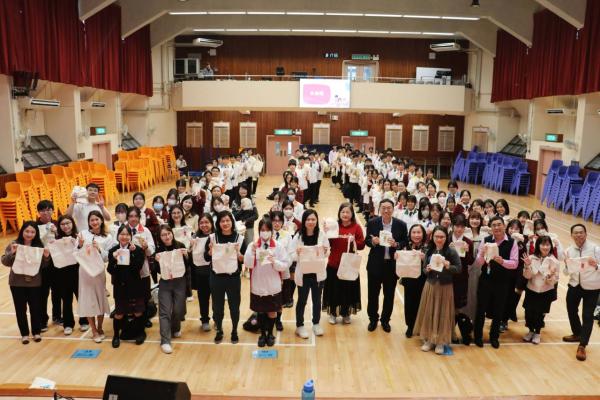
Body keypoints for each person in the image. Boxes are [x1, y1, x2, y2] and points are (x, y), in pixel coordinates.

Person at [472, 216, 519, 349]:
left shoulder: (512, 242)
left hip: (502, 282)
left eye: (499, 224)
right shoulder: (486, 240)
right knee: (481, 309)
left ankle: (494, 337)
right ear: (490, 227)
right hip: (486, 280)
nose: (497, 227)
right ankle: (478, 336)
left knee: (499, 310)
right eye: (494, 225)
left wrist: (502, 261)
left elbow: (515, 263)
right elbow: (478, 263)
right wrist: (482, 254)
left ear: (504, 226)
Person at [414, 226, 462, 355]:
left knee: (443, 314)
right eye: (436, 236)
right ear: (432, 237)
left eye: (442, 237)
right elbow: (424, 270)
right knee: (429, 312)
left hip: (445, 287)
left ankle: (440, 341)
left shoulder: (451, 251)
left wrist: (448, 265)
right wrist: (427, 269)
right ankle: (429, 339)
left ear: (446, 238)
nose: (439, 239)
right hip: (430, 285)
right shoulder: (429, 250)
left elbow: (458, 269)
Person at [1, 222, 51, 344]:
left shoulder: (39, 246)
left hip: (34, 283)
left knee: (35, 308)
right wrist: (12, 253)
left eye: (32, 232)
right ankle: (24, 334)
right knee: (20, 310)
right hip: (17, 283)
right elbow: (5, 261)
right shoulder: (14, 244)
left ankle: (36, 332)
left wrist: (46, 257)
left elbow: (43, 266)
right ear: (22, 231)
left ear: (36, 233)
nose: (29, 234)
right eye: (27, 231)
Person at [244, 218, 289, 347]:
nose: (265, 232)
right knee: (261, 311)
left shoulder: (278, 246)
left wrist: (275, 261)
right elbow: (247, 264)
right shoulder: (252, 246)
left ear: (271, 231)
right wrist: (252, 252)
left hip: (273, 285)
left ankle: (270, 334)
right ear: (259, 231)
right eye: (262, 230)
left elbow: (285, 264)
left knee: (272, 311)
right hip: (258, 284)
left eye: (267, 230)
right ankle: (262, 334)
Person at [366, 199, 408, 333]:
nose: (386, 210)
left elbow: (405, 241)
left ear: (393, 209)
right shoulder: (372, 223)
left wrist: (397, 244)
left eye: (389, 208)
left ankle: (385, 320)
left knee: (389, 295)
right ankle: (373, 319)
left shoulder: (401, 225)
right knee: (373, 294)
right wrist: (373, 241)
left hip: (391, 266)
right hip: (375, 264)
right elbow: (367, 240)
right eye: (383, 208)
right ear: (379, 209)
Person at [204, 211, 247, 344]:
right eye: (222, 221)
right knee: (217, 308)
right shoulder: (212, 238)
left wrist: (239, 255)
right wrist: (209, 251)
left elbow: (245, 259)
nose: (225, 223)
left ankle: (234, 331)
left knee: (234, 307)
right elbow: (206, 258)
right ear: (218, 223)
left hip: (233, 278)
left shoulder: (239, 239)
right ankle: (219, 330)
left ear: (232, 222)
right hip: (216, 278)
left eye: (228, 220)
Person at [323, 203, 365, 325]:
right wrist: (325, 233)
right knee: (333, 290)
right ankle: (333, 313)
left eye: (348, 212)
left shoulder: (356, 227)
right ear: (339, 213)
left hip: (349, 265)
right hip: (334, 264)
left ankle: (346, 313)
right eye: (343, 212)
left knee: (347, 290)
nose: (345, 214)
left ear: (352, 214)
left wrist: (354, 241)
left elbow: (362, 245)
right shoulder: (334, 225)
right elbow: (327, 243)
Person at [563, 224, 600, 361]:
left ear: (586, 234)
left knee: (587, 315)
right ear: (571, 235)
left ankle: (582, 345)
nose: (578, 235)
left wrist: (596, 265)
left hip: (592, 287)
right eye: (576, 233)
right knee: (571, 309)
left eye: (581, 232)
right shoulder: (568, 251)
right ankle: (577, 333)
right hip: (574, 285)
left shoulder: (595, 249)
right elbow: (566, 272)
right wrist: (567, 265)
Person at [292, 210, 331, 339]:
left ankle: (316, 323)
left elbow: (327, 252)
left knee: (317, 300)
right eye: (308, 219)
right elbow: (291, 255)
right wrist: (297, 253)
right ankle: (299, 325)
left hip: (317, 273)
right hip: (303, 274)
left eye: (313, 219)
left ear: (317, 221)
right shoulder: (298, 236)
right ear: (304, 221)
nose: (310, 222)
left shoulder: (321, 235)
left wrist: (326, 251)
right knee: (302, 300)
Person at [107, 225, 147, 348]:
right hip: (120, 286)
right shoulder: (113, 250)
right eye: (122, 234)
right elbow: (110, 270)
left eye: (127, 234)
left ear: (131, 236)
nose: (124, 237)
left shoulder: (138, 250)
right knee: (119, 313)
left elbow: (138, 268)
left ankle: (141, 333)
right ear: (118, 236)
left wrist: (133, 253)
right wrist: (114, 258)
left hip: (135, 286)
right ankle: (116, 336)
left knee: (138, 312)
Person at [77, 211, 113, 343]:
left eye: (97, 219)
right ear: (88, 222)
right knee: (89, 301)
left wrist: (99, 249)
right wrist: (80, 245)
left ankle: (100, 327)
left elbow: (107, 257)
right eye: (92, 220)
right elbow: (75, 254)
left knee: (100, 298)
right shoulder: (82, 234)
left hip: (98, 272)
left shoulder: (108, 237)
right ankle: (93, 330)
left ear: (101, 220)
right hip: (85, 272)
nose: (94, 222)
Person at [155, 225, 191, 354]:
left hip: (180, 282)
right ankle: (165, 341)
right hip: (165, 282)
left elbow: (188, 266)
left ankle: (175, 327)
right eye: (163, 235)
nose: (167, 236)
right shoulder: (158, 250)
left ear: (172, 233)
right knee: (164, 311)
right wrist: (156, 261)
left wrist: (187, 256)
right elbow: (157, 270)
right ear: (160, 237)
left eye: (168, 233)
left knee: (178, 309)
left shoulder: (180, 245)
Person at [521, 236, 559, 345]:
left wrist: (550, 277)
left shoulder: (554, 261)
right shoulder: (531, 258)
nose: (545, 247)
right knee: (529, 312)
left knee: (540, 313)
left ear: (551, 246)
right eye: (543, 244)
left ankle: (537, 332)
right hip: (531, 290)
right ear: (538, 245)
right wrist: (527, 266)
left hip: (545, 291)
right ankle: (530, 331)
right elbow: (527, 276)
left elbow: (554, 281)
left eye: (548, 245)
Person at [53, 215, 87, 335]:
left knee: (81, 297)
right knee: (66, 300)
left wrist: (80, 245)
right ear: (59, 226)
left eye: (68, 223)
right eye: (62, 224)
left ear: (72, 223)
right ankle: (68, 324)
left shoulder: (79, 237)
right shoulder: (56, 239)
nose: (65, 226)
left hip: (78, 272)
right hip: (62, 274)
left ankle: (84, 321)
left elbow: (84, 254)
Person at [35, 200, 61, 331]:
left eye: (48, 209)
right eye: (43, 210)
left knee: (57, 291)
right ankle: (42, 319)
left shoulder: (57, 223)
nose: (46, 212)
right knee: (43, 292)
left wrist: (56, 233)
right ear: (39, 212)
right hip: (42, 263)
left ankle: (57, 316)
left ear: (52, 210)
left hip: (57, 262)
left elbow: (63, 240)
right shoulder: (34, 226)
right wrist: (46, 231)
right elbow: (35, 241)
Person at [399, 224, 428, 338]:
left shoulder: (428, 247)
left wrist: (424, 258)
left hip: (423, 280)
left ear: (423, 234)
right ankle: (410, 326)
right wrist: (397, 256)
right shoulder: (406, 246)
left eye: (419, 232)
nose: (416, 235)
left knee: (422, 303)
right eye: (414, 232)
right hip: (409, 279)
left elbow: (431, 262)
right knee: (409, 304)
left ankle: (421, 326)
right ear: (410, 234)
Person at [191, 214, 214, 332]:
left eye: (206, 222)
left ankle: (217, 318)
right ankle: (204, 320)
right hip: (201, 273)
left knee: (217, 298)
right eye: (201, 223)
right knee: (203, 298)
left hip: (215, 272)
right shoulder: (194, 237)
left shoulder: (217, 236)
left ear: (211, 223)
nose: (204, 225)